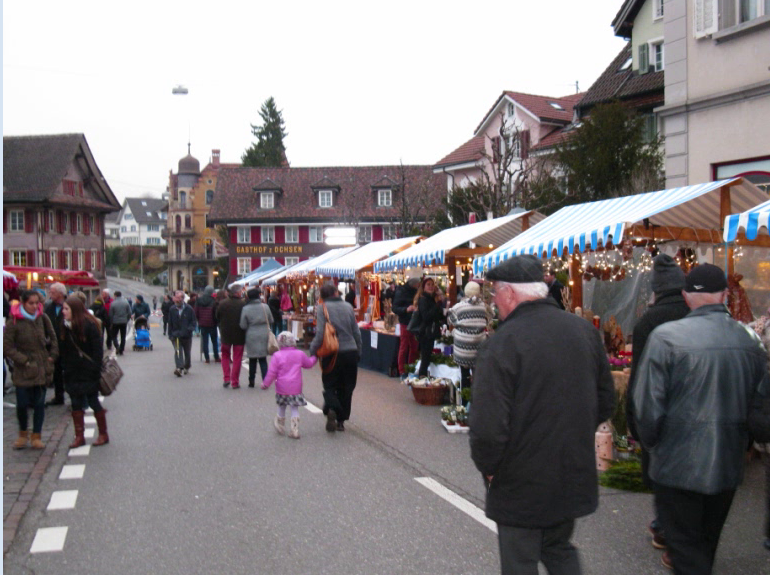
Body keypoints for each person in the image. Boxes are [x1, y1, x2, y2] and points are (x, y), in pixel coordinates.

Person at [469, 255, 615, 575]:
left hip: (519, 478)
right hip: (569, 468)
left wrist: (491, 469)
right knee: (558, 548)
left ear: (509, 293)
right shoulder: (583, 332)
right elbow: (605, 402)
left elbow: (486, 426)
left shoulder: (501, 344)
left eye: (495, 293)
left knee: (520, 559)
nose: (493, 301)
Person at [633, 263, 769, 574]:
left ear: (685, 295)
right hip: (728, 461)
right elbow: (760, 408)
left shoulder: (665, 338)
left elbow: (647, 408)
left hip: (676, 463)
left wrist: (652, 447)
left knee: (685, 548)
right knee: (706, 543)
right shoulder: (750, 340)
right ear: (724, 294)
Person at [626, 253, 690, 554]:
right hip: (694, 408)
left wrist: (633, 421)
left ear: (656, 289)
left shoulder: (649, 322)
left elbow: (639, 376)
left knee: (663, 471)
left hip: (660, 410)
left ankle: (666, 528)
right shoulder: (696, 313)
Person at [4, 290, 58, 449]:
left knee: (39, 404)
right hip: (24, 370)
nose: (35, 306)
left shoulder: (42, 318)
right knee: (21, 404)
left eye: (37, 303)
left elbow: (54, 338)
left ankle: (36, 435)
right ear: (23, 303)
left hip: (41, 367)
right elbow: (7, 347)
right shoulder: (14, 321)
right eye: (31, 303)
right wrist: (23, 360)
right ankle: (22, 433)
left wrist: (52, 356)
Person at [309, 283, 362, 433]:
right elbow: (356, 332)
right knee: (348, 387)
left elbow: (320, 334)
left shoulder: (322, 308)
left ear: (323, 296)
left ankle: (332, 407)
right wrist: (358, 350)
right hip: (350, 351)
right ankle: (341, 421)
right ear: (335, 293)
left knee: (330, 385)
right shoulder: (348, 307)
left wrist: (312, 350)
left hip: (331, 352)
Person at [60, 295, 110, 447]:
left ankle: (103, 433)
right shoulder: (64, 325)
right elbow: (63, 350)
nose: (63, 312)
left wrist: (94, 369)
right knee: (75, 403)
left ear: (74, 309)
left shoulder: (89, 325)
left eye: (66, 309)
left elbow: (97, 350)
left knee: (93, 401)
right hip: (72, 372)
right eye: (63, 309)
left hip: (88, 371)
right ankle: (79, 436)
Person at [261, 331, 318, 439]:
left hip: (282, 388)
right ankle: (295, 430)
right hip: (296, 388)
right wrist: (316, 357)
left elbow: (272, 373)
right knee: (294, 408)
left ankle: (280, 424)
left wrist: (265, 384)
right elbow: (308, 364)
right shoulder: (299, 354)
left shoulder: (277, 356)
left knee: (282, 406)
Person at [447, 281, 491, 390]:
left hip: (463, 346)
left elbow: (450, 319)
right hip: (479, 345)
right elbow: (490, 317)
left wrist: (461, 325)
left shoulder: (459, 306)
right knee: (478, 375)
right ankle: (477, 399)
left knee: (465, 374)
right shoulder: (483, 306)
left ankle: (465, 401)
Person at [240, 287, 273, 388]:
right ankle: (265, 381)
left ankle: (251, 381)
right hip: (264, 334)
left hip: (251, 334)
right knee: (263, 359)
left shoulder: (245, 309)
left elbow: (243, 325)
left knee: (252, 359)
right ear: (258, 296)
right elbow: (271, 320)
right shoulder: (265, 307)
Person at [216, 285, 247, 389]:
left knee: (225, 355)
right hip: (239, 333)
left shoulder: (222, 303)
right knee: (237, 358)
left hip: (225, 333)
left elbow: (217, 316)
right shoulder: (243, 304)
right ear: (238, 293)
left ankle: (226, 378)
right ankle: (234, 381)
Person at [415, 277, 445, 377]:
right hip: (426, 332)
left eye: (432, 284)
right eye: (428, 284)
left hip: (431, 331)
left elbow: (437, 315)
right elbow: (426, 316)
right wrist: (437, 305)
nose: (431, 287)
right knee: (425, 358)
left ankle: (422, 378)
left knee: (427, 357)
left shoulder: (431, 299)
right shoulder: (423, 299)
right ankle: (421, 379)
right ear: (424, 287)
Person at [43, 282, 67, 406]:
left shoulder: (69, 305)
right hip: (54, 345)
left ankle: (76, 398)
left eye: (52, 292)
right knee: (56, 372)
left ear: (60, 294)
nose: (50, 295)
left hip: (67, 345)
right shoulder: (48, 307)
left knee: (69, 372)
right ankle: (59, 397)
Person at [392, 277, 420, 378]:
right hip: (405, 322)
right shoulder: (401, 292)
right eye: (418, 284)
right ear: (414, 284)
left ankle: (411, 368)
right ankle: (402, 371)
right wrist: (406, 309)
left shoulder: (416, 292)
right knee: (404, 346)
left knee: (414, 346)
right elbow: (394, 308)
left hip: (415, 322)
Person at [168, 290, 196, 377]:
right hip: (176, 335)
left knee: (187, 352)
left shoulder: (189, 309)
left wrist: (189, 329)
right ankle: (179, 368)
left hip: (186, 335)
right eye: (176, 298)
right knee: (178, 351)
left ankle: (187, 366)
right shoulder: (172, 309)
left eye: (179, 298)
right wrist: (170, 334)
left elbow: (193, 322)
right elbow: (170, 323)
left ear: (183, 299)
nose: (177, 300)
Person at [195, 286, 220, 364]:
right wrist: (217, 322)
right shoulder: (213, 301)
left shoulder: (198, 300)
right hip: (212, 324)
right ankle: (216, 357)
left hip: (203, 324)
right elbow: (216, 314)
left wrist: (199, 320)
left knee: (205, 341)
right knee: (214, 341)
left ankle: (207, 359)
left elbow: (196, 312)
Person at [108, 290, 132, 355]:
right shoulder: (126, 302)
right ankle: (121, 349)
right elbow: (129, 313)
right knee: (123, 336)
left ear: (115, 295)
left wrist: (111, 322)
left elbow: (110, 314)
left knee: (114, 336)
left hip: (115, 322)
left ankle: (117, 346)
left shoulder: (113, 303)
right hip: (124, 322)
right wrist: (126, 319)